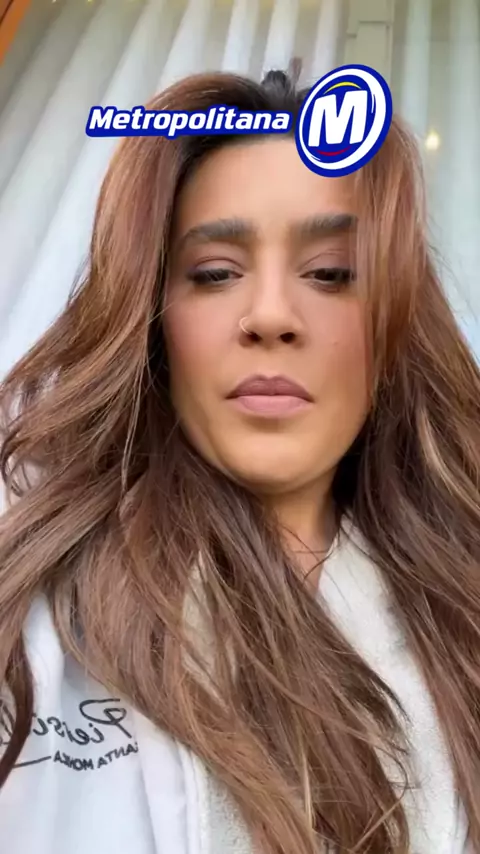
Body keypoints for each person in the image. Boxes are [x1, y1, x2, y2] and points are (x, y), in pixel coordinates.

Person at [0, 68, 478, 854]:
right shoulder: (34, 615)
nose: (270, 315)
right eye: (216, 274)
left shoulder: (461, 610)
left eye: (330, 274)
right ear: (153, 319)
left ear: (395, 327)